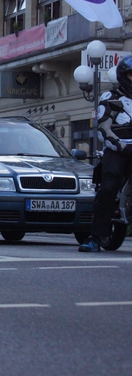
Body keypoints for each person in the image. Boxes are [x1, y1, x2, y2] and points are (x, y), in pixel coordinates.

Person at [79, 55, 132, 252]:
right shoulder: (111, 98)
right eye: (131, 75)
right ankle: (95, 237)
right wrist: (121, 146)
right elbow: (103, 129)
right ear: (124, 76)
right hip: (118, 150)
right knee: (109, 187)